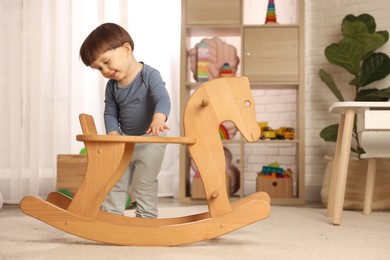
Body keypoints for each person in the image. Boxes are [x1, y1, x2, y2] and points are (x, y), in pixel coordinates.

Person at [79, 23, 171, 218]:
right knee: (116, 179)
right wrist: (113, 135)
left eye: (106, 61)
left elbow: (162, 98)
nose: (105, 70)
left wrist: (158, 119)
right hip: (125, 141)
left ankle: (146, 216)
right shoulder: (112, 87)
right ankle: (112, 214)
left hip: (151, 140)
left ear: (126, 49)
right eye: (99, 68)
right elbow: (110, 113)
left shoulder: (149, 75)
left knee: (143, 182)